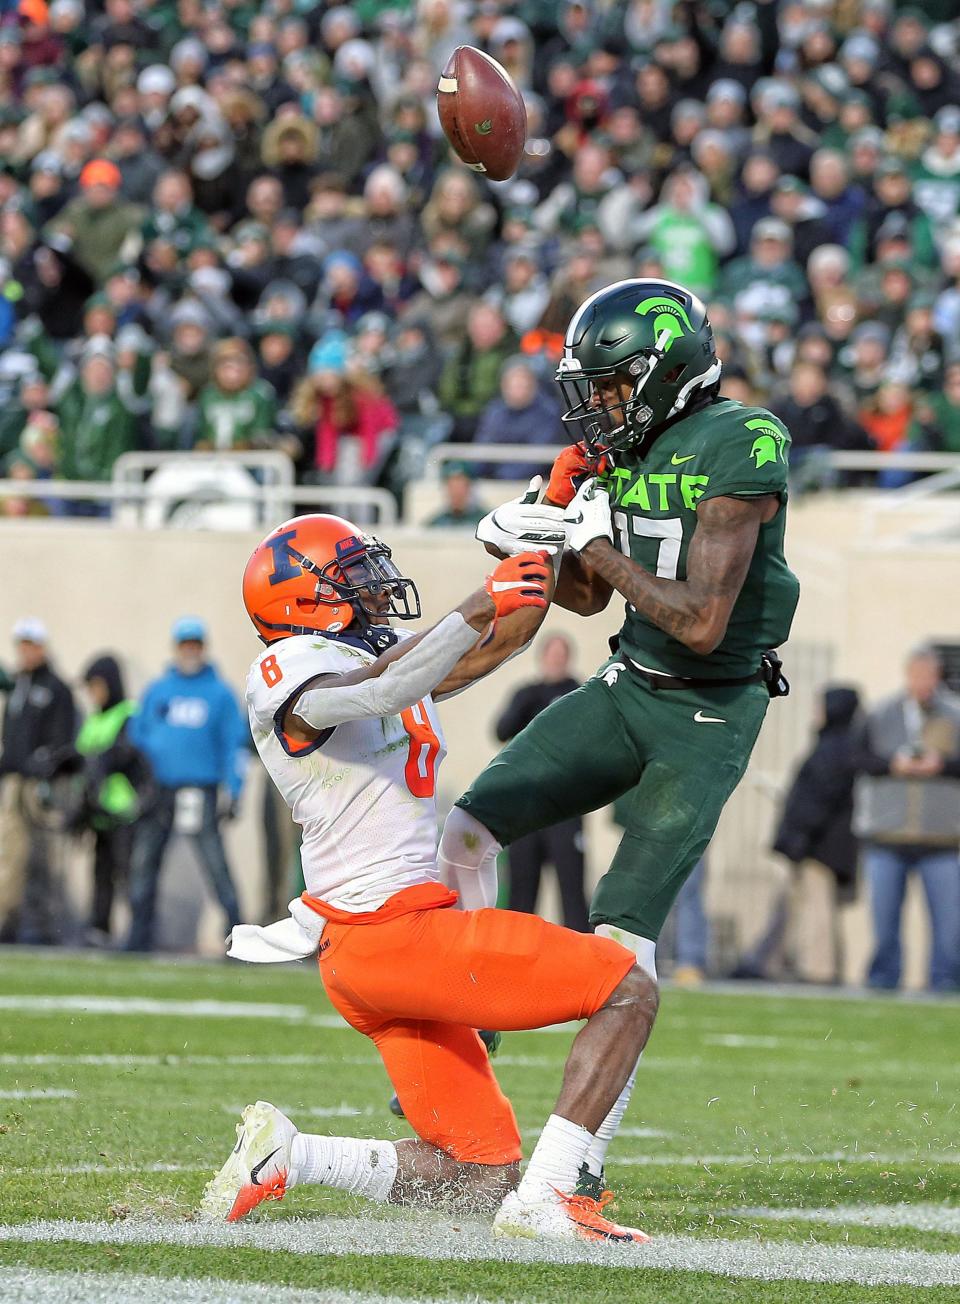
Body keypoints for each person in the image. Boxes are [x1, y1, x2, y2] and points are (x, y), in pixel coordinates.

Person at [200, 514, 656, 1245]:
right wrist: (478, 598)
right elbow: (375, 691)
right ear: (301, 599)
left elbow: (494, 643)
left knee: (483, 1177)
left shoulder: (379, 657)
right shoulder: (284, 670)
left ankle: (293, 1153)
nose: (375, 587)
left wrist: (540, 542)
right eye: (350, 575)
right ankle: (554, 1196)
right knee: (627, 988)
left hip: (377, 951)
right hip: (394, 933)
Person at [446, 276, 799, 1197]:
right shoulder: (619, 452)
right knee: (465, 830)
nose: (598, 407)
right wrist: (538, 545)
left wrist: (592, 542)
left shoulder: (742, 438)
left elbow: (702, 622)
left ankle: (569, 1172)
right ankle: (464, 1021)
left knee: (619, 935)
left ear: (665, 370)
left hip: (708, 710)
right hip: (624, 682)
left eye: (610, 387)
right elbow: (590, 599)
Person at [125, 617, 247, 953]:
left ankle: (237, 936)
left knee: (214, 863)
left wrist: (235, 791)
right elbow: (139, 737)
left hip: (200, 790)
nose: (189, 650)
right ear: (176, 648)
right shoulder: (158, 690)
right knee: (145, 861)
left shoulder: (220, 694)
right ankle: (138, 935)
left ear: (202, 647)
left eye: (195, 644)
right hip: (160, 791)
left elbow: (232, 745)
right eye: (184, 644)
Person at [853, 646, 960, 992]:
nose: (922, 682)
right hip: (887, 835)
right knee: (884, 924)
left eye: (928, 676)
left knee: (949, 928)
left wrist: (940, 766)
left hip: (942, 840)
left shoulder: (954, 716)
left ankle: (944, 986)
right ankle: (883, 983)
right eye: (917, 675)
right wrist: (892, 765)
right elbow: (857, 758)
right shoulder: (881, 713)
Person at [768, 686, 862, 985]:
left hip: (820, 847)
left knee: (817, 909)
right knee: (813, 907)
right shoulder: (838, 745)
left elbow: (816, 801)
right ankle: (811, 966)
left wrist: (797, 838)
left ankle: (818, 971)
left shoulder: (834, 748)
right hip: (820, 844)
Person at [494, 632, 589, 931]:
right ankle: (514, 958)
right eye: (551, 655)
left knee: (572, 891)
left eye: (561, 655)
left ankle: (580, 960)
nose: (556, 661)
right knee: (521, 892)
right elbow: (501, 730)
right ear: (542, 658)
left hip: (564, 810)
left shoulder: (580, 694)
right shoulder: (527, 694)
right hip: (526, 812)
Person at [0, 619, 76, 944]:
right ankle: (7, 920)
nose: (26, 652)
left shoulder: (56, 688)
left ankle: (46, 926)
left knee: (44, 856)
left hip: (41, 784)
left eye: (32, 645)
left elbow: (62, 739)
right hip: (15, 780)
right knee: (10, 853)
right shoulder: (18, 685)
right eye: (22, 645)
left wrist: (47, 767)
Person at [71, 654, 154, 944]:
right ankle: (99, 928)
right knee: (101, 871)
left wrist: (98, 763)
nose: (93, 693)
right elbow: (84, 758)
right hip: (99, 811)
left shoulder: (128, 714)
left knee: (128, 873)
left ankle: (138, 933)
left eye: (96, 685)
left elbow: (122, 755)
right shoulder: (95, 719)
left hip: (123, 809)